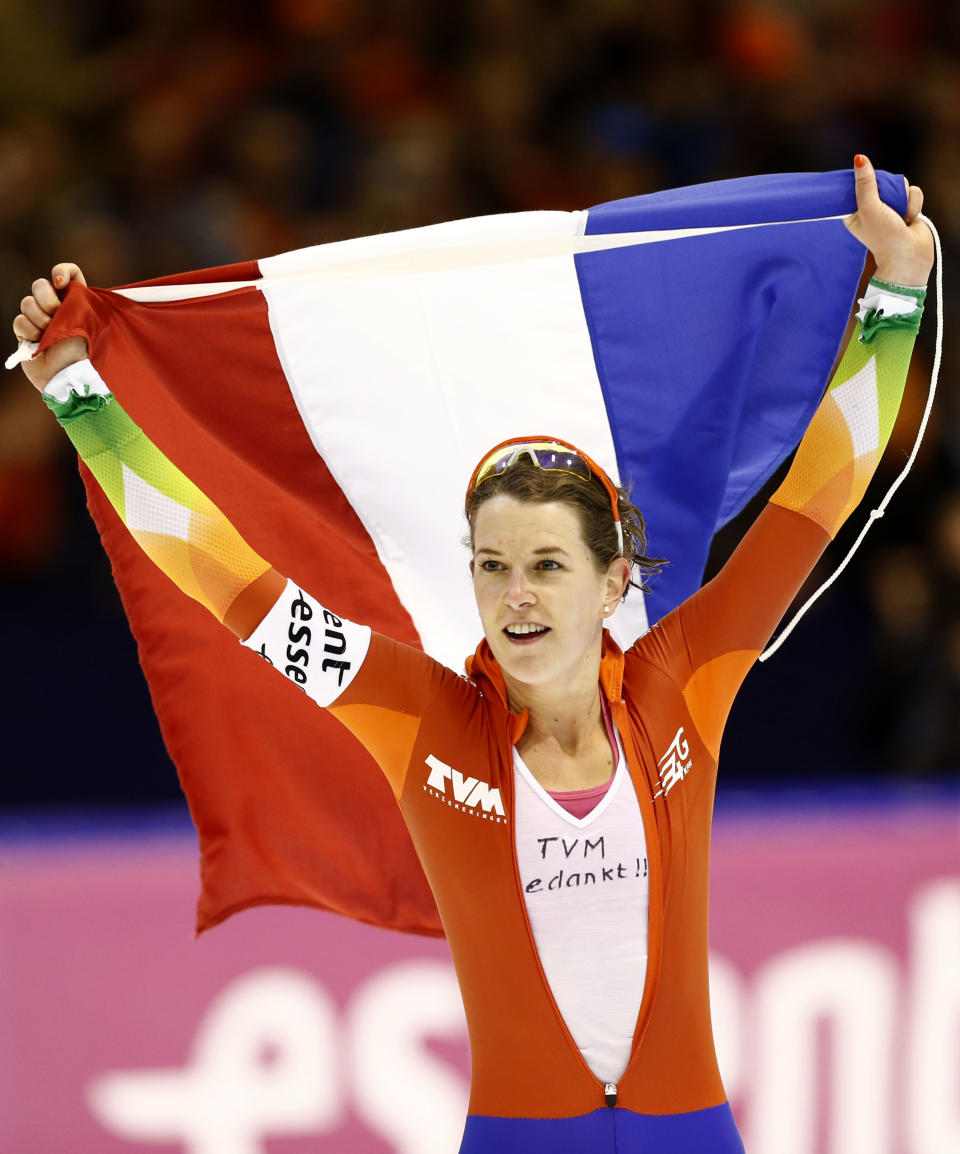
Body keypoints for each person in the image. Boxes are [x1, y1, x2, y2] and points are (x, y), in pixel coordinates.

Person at [12, 155, 934, 1153]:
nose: (515, 593)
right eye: (491, 564)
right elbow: (225, 572)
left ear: (613, 579)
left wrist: (898, 288)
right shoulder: (418, 714)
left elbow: (824, 488)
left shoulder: (685, 680)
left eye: (546, 563)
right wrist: (80, 400)